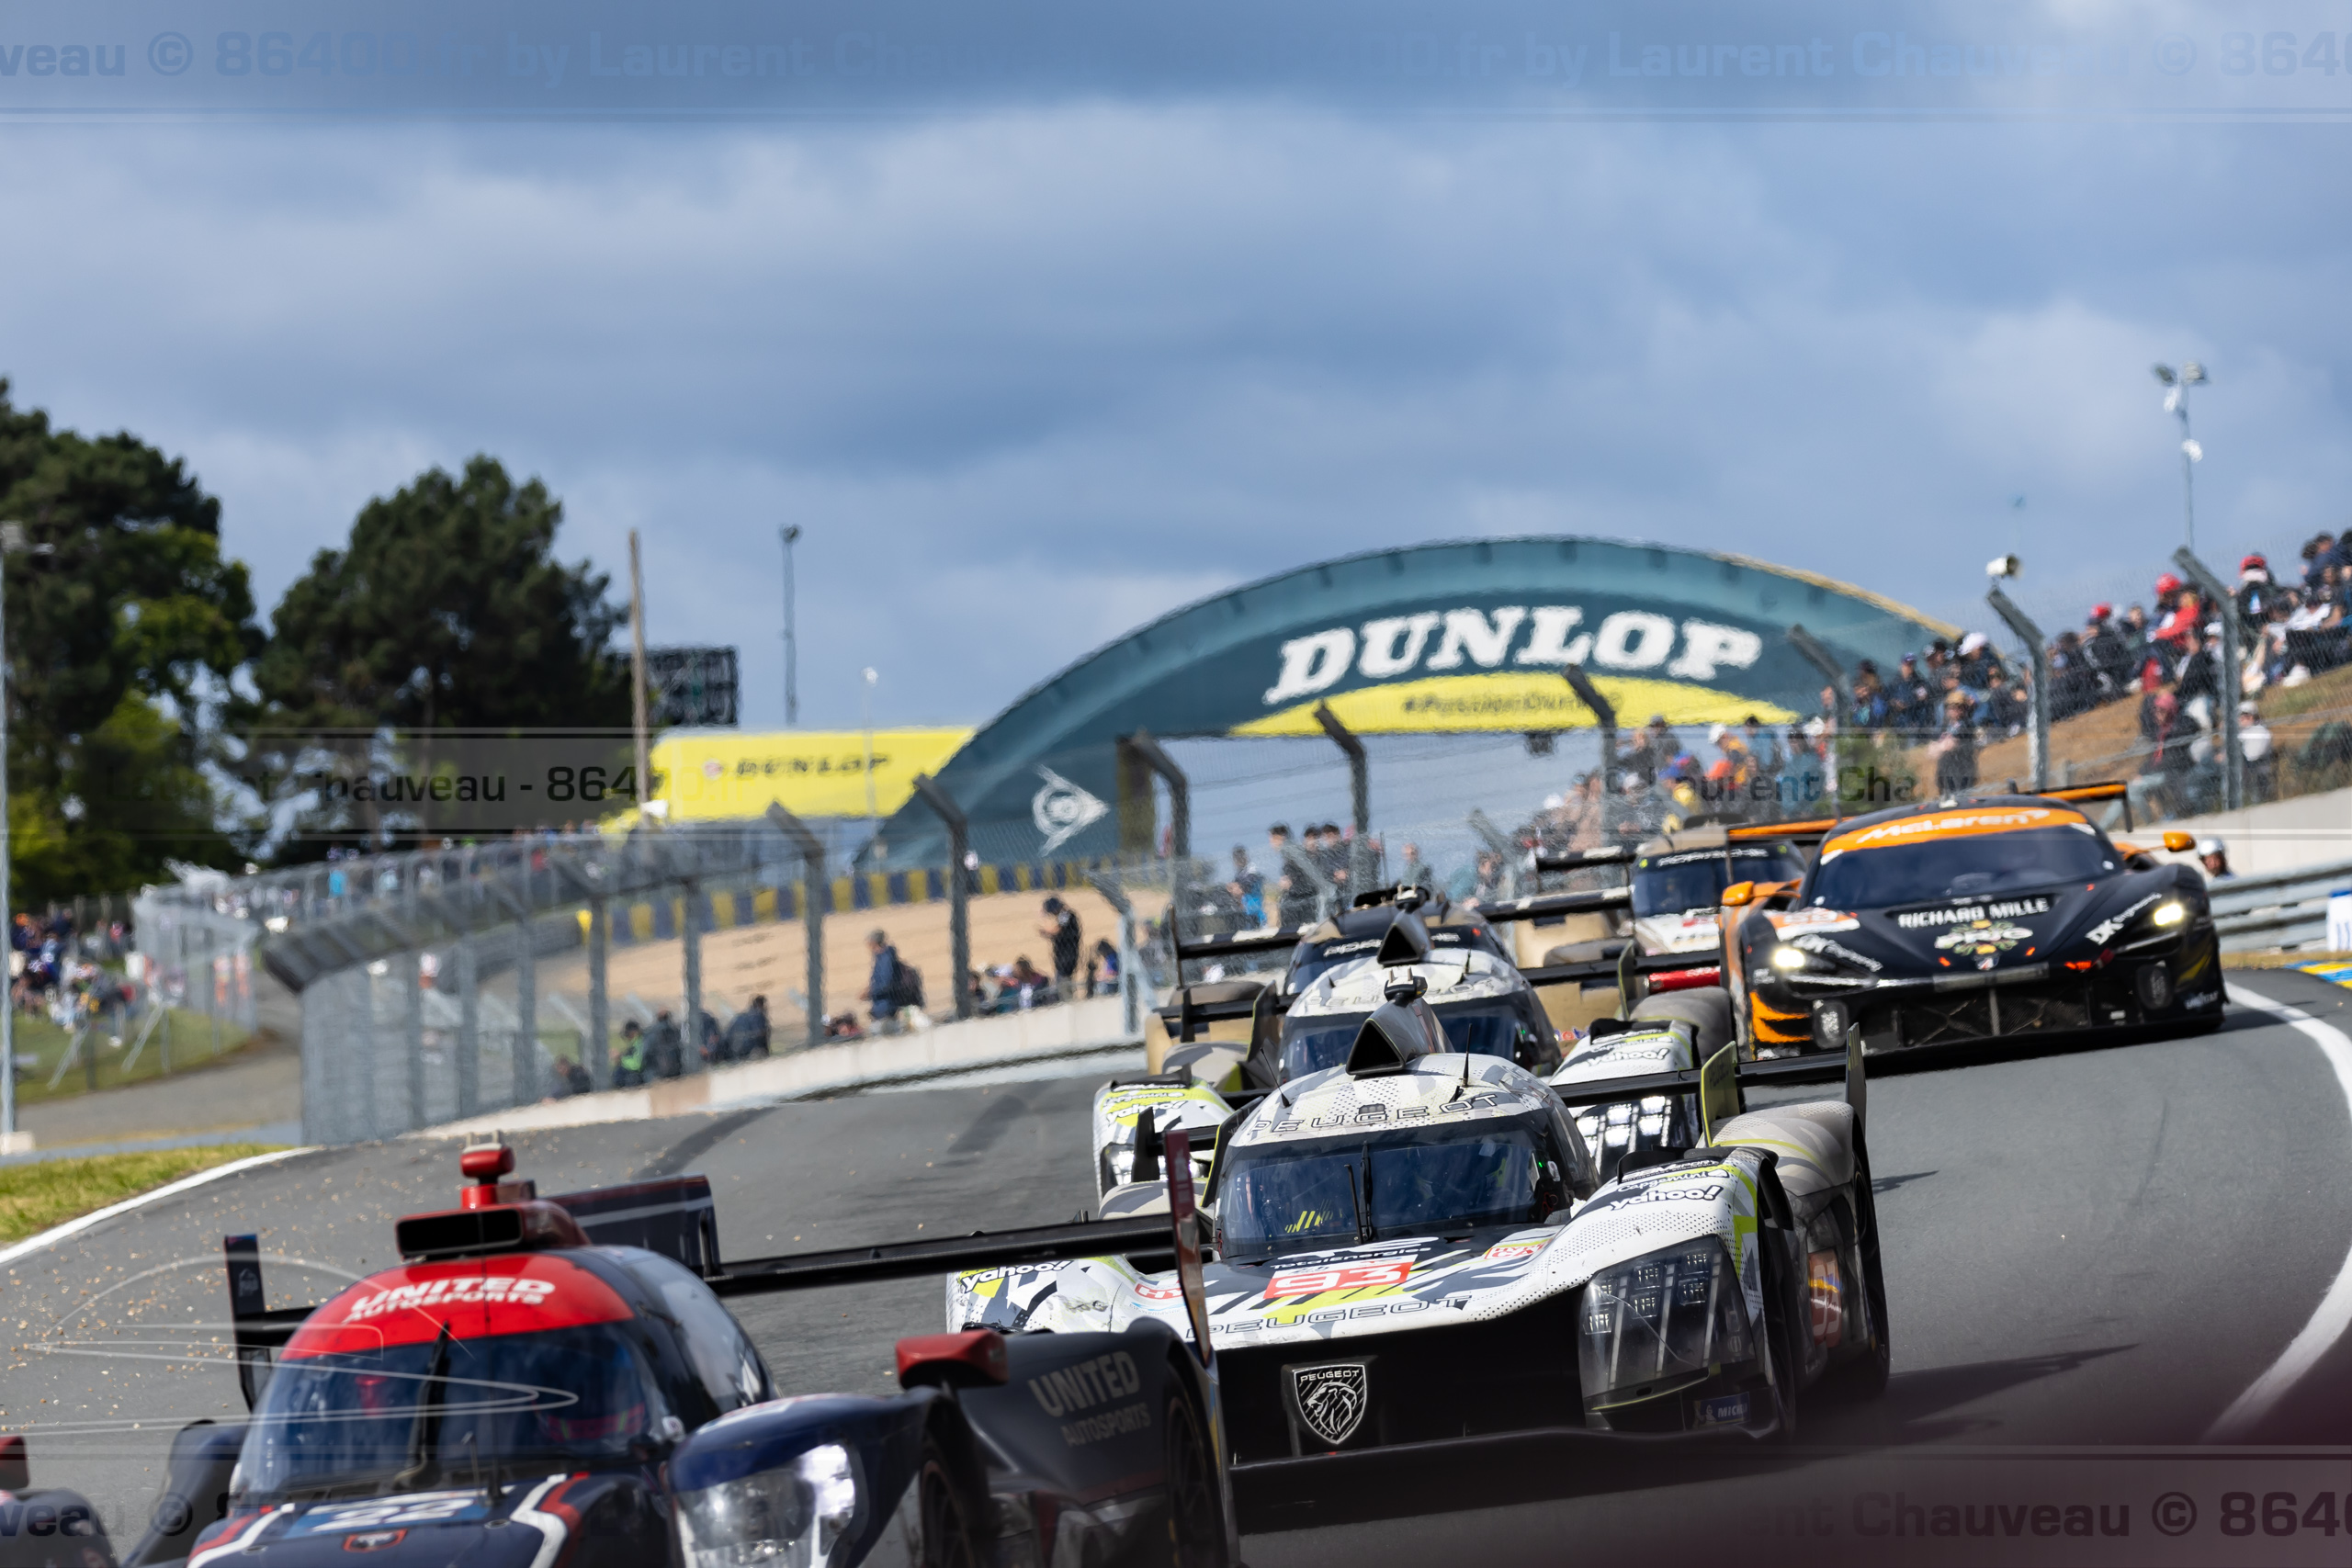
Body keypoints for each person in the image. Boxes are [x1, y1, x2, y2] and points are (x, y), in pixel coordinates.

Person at [1931, 694, 1979, 796]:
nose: (1954, 711)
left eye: (1958, 708)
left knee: (1962, 796)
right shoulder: (1945, 726)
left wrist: (1943, 747)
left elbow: (1955, 744)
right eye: (1951, 708)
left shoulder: (1967, 725)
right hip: (1947, 768)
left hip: (1962, 767)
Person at [862, 930, 904, 1035]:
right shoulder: (880, 957)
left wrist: (870, 992)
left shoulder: (886, 959)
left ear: (874, 942)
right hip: (882, 1008)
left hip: (886, 1008)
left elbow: (886, 984)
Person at [1038, 896, 1083, 994]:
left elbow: (1057, 930)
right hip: (1064, 957)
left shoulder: (1066, 915)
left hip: (1066, 957)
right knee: (1063, 982)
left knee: (1063, 984)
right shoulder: (1064, 916)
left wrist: (1046, 930)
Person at [725, 995, 772, 1061]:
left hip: (732, 1051)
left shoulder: (741, 1016)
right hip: (748, 1050)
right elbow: (762, 1034)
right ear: (761, 1005)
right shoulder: (759, 1016)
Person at [646, 1010, 685, 1078]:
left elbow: (646, 1052)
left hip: (660, 1071)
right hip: (677, 1070)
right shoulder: (675, 1030)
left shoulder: (652, 1032)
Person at [612, 1020, 647, 1089]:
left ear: (634, 1033)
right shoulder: (636, 1043)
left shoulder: (640, 1044)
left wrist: (621, 1059)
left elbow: (637, 1064)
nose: (627, 1037)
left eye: (628, 1034)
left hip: (639, 1078)